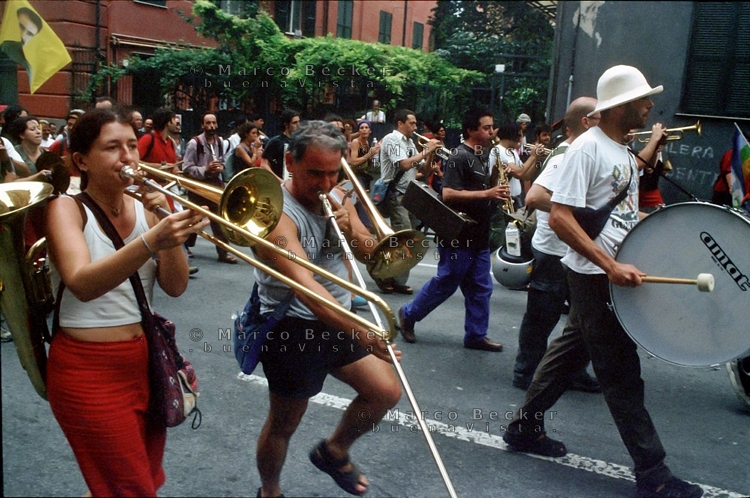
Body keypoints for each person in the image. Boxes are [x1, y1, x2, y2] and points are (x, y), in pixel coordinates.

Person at [503, 65, 703, 498]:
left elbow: (622, 216)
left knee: (571, 353)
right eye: (643, 100)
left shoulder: (624, 151)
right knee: (620, 372)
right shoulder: (586, 151)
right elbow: (559, 217)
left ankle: (523, 428)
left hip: (606, 273)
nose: (651, 106)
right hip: (594, 276)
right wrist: (611, 267)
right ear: (621, 106)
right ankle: (653, 473)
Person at [43, 108, 208, 497]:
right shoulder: (67, 208)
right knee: (131, 488)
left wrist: (162, 218)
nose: (128, 157)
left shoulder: (147, 208)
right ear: (81, 160)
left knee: (136, 481)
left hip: (142, 362)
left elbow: (176, 286)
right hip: (86, 371)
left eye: (132, 146)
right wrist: (151, 241)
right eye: (112, 148)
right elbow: (81, 283)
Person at [251, 120, 402, 498]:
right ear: (290, 161)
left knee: (385, 392)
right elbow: (308, 289)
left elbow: (373, 256)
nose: (325, 183)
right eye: (315, 173)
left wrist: (352, 226)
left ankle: (333, 450)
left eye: (334, 173)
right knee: (284, 424)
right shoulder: (275, 215)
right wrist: (363, 331)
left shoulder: (337, 194)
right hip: (294, 326)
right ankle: (269, 491)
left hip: (340, 317)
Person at [511, 97, 602, 392]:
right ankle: (525, 374)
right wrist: (579, 210)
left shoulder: (584, 152)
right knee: (542, 317)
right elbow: (534, 198)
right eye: (601, 117)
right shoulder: (566, 156)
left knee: (585, 320)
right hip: (553, 253)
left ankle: (573, 371)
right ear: (586, 122)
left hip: (573, 251)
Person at [398, 107, 507, 352]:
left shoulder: (483, 154)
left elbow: (480, 189)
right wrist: (488, 193)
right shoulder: (458, 157)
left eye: (492, 127)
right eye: (487, 127)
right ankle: (408, 314)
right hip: (458, 234)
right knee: (447, 281)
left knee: (481, 287)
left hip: (478, 231)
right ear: (471, 130)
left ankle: (476, 335)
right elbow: (448, 194)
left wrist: (495, 188)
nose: (492, 131)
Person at [373, 109, 439, 295]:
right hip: (396, 194)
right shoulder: (391, 140)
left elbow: (420, 171)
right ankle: (383, 275)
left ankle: (398, 279)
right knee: (402, 238)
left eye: (416, 123)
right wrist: (426, 150)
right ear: (400, 124)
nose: (415, 127)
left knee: (407, 238)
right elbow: (403, 164)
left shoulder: (409, 142)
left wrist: (430, 158)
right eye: (412, 123)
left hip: (409, 194)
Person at [182, 111, 237, 264]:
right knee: (194, 217)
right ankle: (185, 246)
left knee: (219, 217)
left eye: (214, 123)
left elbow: (223, 160)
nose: (211, 126)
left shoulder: (219, 142)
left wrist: (221, 167)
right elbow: (186, 167)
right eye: (208, 123)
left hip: (214, 182)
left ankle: (223, 252)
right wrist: (205, 170)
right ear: (202, 125)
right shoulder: (194, 143)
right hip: (198, 184)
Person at [261, 109, 300, 182]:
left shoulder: (299, 141)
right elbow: (264, 164)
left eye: (298, 122)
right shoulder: (276, 141)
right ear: (286, 124)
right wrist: (279, 181)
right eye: (294, 123)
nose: (298, 125)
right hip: (280, 182)